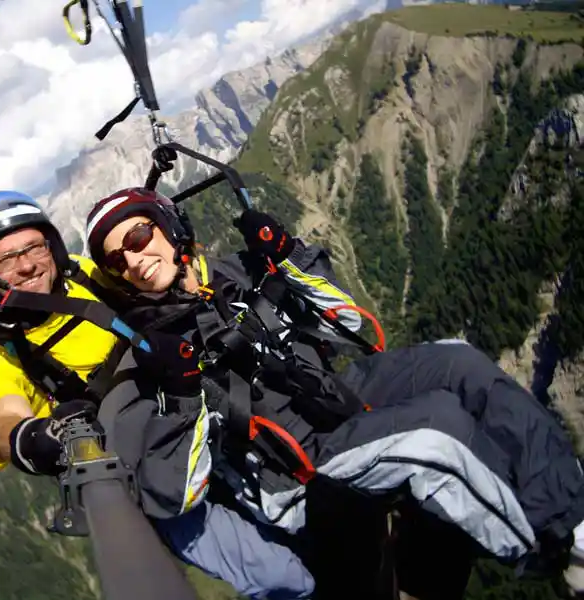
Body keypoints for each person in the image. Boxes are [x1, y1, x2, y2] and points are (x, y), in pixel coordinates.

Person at [85, 186, 584, 600]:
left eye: (138, 234)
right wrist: (184, 388)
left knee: (458, 360)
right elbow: (175, 493)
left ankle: (576, 522)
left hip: (335, 396)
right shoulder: (148, 356)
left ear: (169, 229)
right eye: (115, 260)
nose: (133, 258)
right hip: (298, 470)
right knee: (437, 428)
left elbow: (348, 324)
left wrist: (288, 258)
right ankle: (548, 543)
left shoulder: (238, 272)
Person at [0, 190, 316, 600]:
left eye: (33, 247)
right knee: (279, 577)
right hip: (148, 475)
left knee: (304, 521)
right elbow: (1, 418)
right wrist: (36, 436)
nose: (25, 265)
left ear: (52, 248)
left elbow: (158, 275)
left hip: (201, 416)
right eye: (4, 259)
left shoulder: (89, 276)